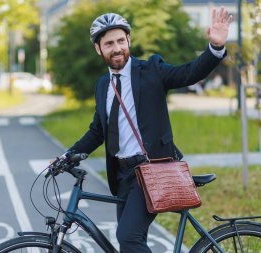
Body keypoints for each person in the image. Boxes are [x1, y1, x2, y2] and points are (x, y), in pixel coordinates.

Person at [56, 7, 232, 252]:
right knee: (132, 242)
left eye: (120, 40)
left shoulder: (152, 70)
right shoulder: (103, 84)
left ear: (128, 40)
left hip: (152, 170)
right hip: (123, 176)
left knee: (128, 237)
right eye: (109, 44)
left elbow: (189, 73)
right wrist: (66, 156)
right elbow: (97, 131)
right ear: (99, 49)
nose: (116, 48)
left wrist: (214, 48)